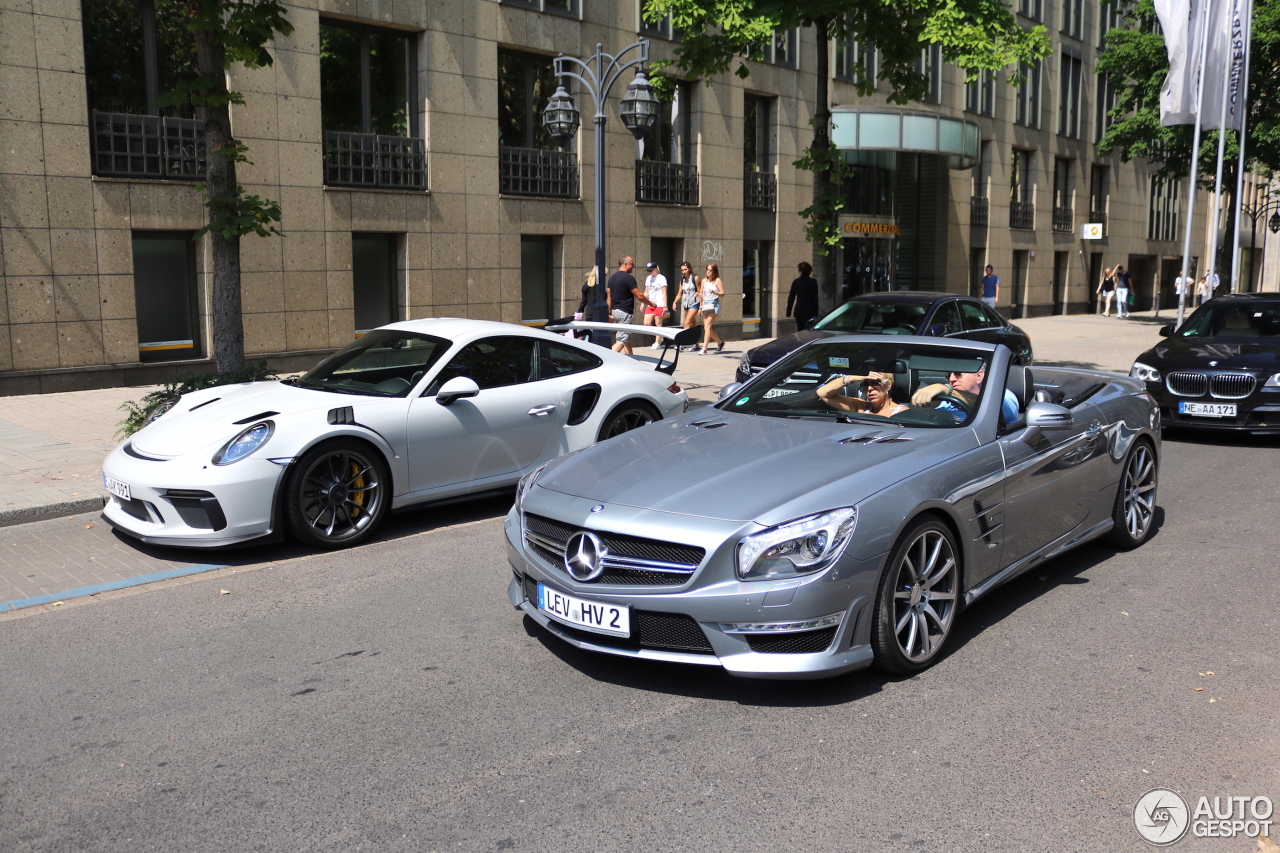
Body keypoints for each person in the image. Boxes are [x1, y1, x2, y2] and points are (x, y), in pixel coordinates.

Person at [911, 366, 1019, 424]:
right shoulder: (943, 400)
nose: (951, 379)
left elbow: (995, 409)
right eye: (948, 375)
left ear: (979, 376)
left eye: (958, 373)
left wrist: (946, 390)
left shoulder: (1003, 395)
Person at [606, 255, 654, 355]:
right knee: (621, 340)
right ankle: (605, 359)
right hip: (625, 312)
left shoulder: (612, 278)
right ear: (625, 264)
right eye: (632, 263)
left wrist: (609, 312)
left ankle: (631, 360)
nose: (633, 265)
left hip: (616, 312)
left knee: (627, 339)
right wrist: (651, 303)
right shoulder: (628, 278)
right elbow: (639, 295)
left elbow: (609, 297)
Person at [816, 372, 909, 418]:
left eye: (876, 383)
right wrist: (853, 378)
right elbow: (823, 393)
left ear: (888, 385)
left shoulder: (902, 412)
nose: (869, 388)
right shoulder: (861, 407)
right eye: (866, 384)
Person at [699, 263, 726, 354]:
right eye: (707, 270)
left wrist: (714, 292)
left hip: (713, 304)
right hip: (705, 304)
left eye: (710, 270)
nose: (708, 272)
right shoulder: (704, 281)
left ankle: (704, 348)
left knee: (707, 326)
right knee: (707, 328)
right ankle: (720, 343)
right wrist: (700, 306)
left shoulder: (717, 280)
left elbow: (722, 293)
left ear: (714, 271)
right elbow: (701, 295)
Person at [641, 262, 670, 349]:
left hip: (659, 303)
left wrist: (665, 306)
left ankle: (657, 341)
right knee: (646, 323)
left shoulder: (661, 278)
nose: (649, 272)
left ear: (656, 269)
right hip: (651, 303)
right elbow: (646, 292)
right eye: (648, 271)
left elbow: (664, 292)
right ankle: (660, 336)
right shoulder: (648, 278)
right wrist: (643, 303)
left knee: (658, 323)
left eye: (651, 270)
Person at [787, 262, 820, 332]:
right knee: (810, 330)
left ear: (800, 271)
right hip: (811, 311)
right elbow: (815, 298)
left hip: (799, 310)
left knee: (801, 330)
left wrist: (788, 312)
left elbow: (791, 298)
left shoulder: (796, 282)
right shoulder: (813, 282)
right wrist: (816, 312)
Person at [676, 261, 701, 345]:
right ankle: (696, 344)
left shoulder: (695, 278)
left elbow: (700, 291)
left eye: (685, 269)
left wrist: (701, 306)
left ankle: (682, 343)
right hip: (686, 304)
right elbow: (680, 293)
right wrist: (674, 302)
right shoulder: (682, 280)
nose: (684, 272)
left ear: (689, 269)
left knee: (686, 323)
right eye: (682, 270)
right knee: (693, 324)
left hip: (694, 303)